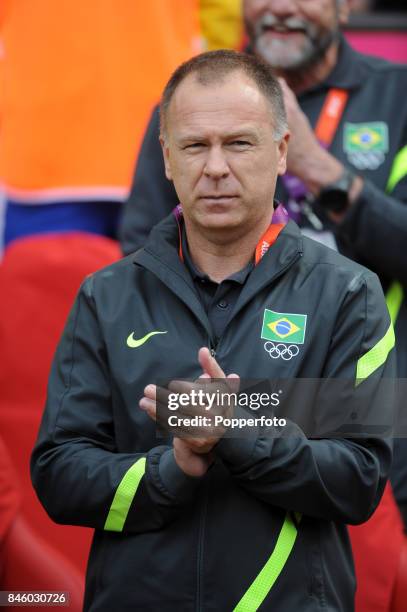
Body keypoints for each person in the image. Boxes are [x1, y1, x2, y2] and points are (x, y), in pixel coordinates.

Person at [31, 49, 395, 611]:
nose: (216, 167)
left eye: (240, 143)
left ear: (280, 153)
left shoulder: (348, 294)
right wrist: (173, 467)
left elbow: (360, 479)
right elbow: (59, 476)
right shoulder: (106, 296)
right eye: (196, 146)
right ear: (168, 160)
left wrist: (238, 434)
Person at [118, 0, 407, 526]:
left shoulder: (397, 97)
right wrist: (213, 408)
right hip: (202, 392)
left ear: (348, 7)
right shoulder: (188, 102)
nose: (280, 7)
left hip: (364, 395)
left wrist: (317, 167)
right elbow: (139, 258)